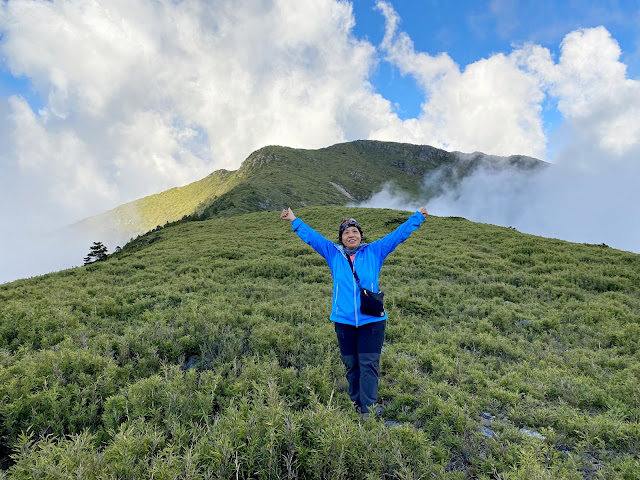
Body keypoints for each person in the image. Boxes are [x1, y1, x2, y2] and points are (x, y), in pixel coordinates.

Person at [281, 206, 429, 419]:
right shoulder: (333, 253)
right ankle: (355, 403)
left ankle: (367, 411)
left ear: (361, 236)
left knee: (368, 365)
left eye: (355, 232)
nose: (352, 235)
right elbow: (312, 238)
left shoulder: (375, 251)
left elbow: (398, 235)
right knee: (352, 365)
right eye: (347, 233)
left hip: (372, 321)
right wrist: (294, 221)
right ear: (341, 238)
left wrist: (416, 218)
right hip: (344, 321)